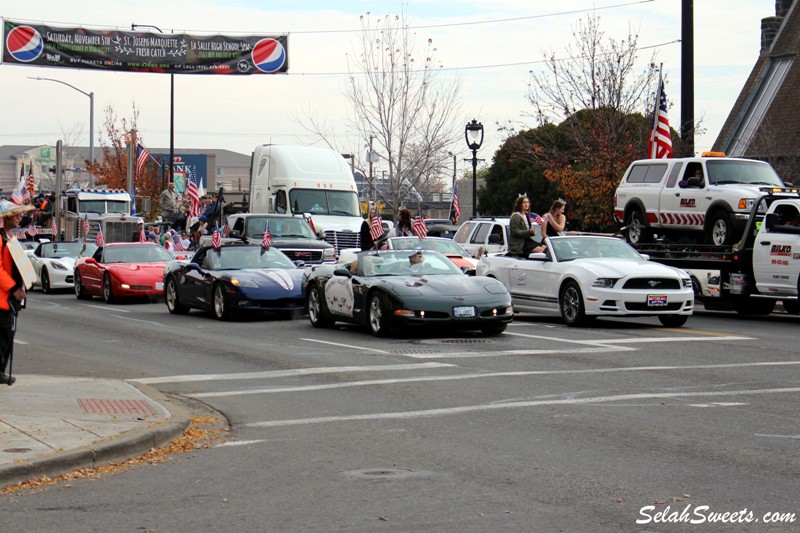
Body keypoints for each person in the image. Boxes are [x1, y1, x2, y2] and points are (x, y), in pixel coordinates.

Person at [0, 200, 33, 385]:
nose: (20, 217)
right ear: (6, 217)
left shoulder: (8, 239)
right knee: (3, 336)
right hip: (3, 298)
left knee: (7, 336)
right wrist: (13, 289)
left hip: (9, 299)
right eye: (16, 215)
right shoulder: (0, 239)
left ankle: (1, 371)